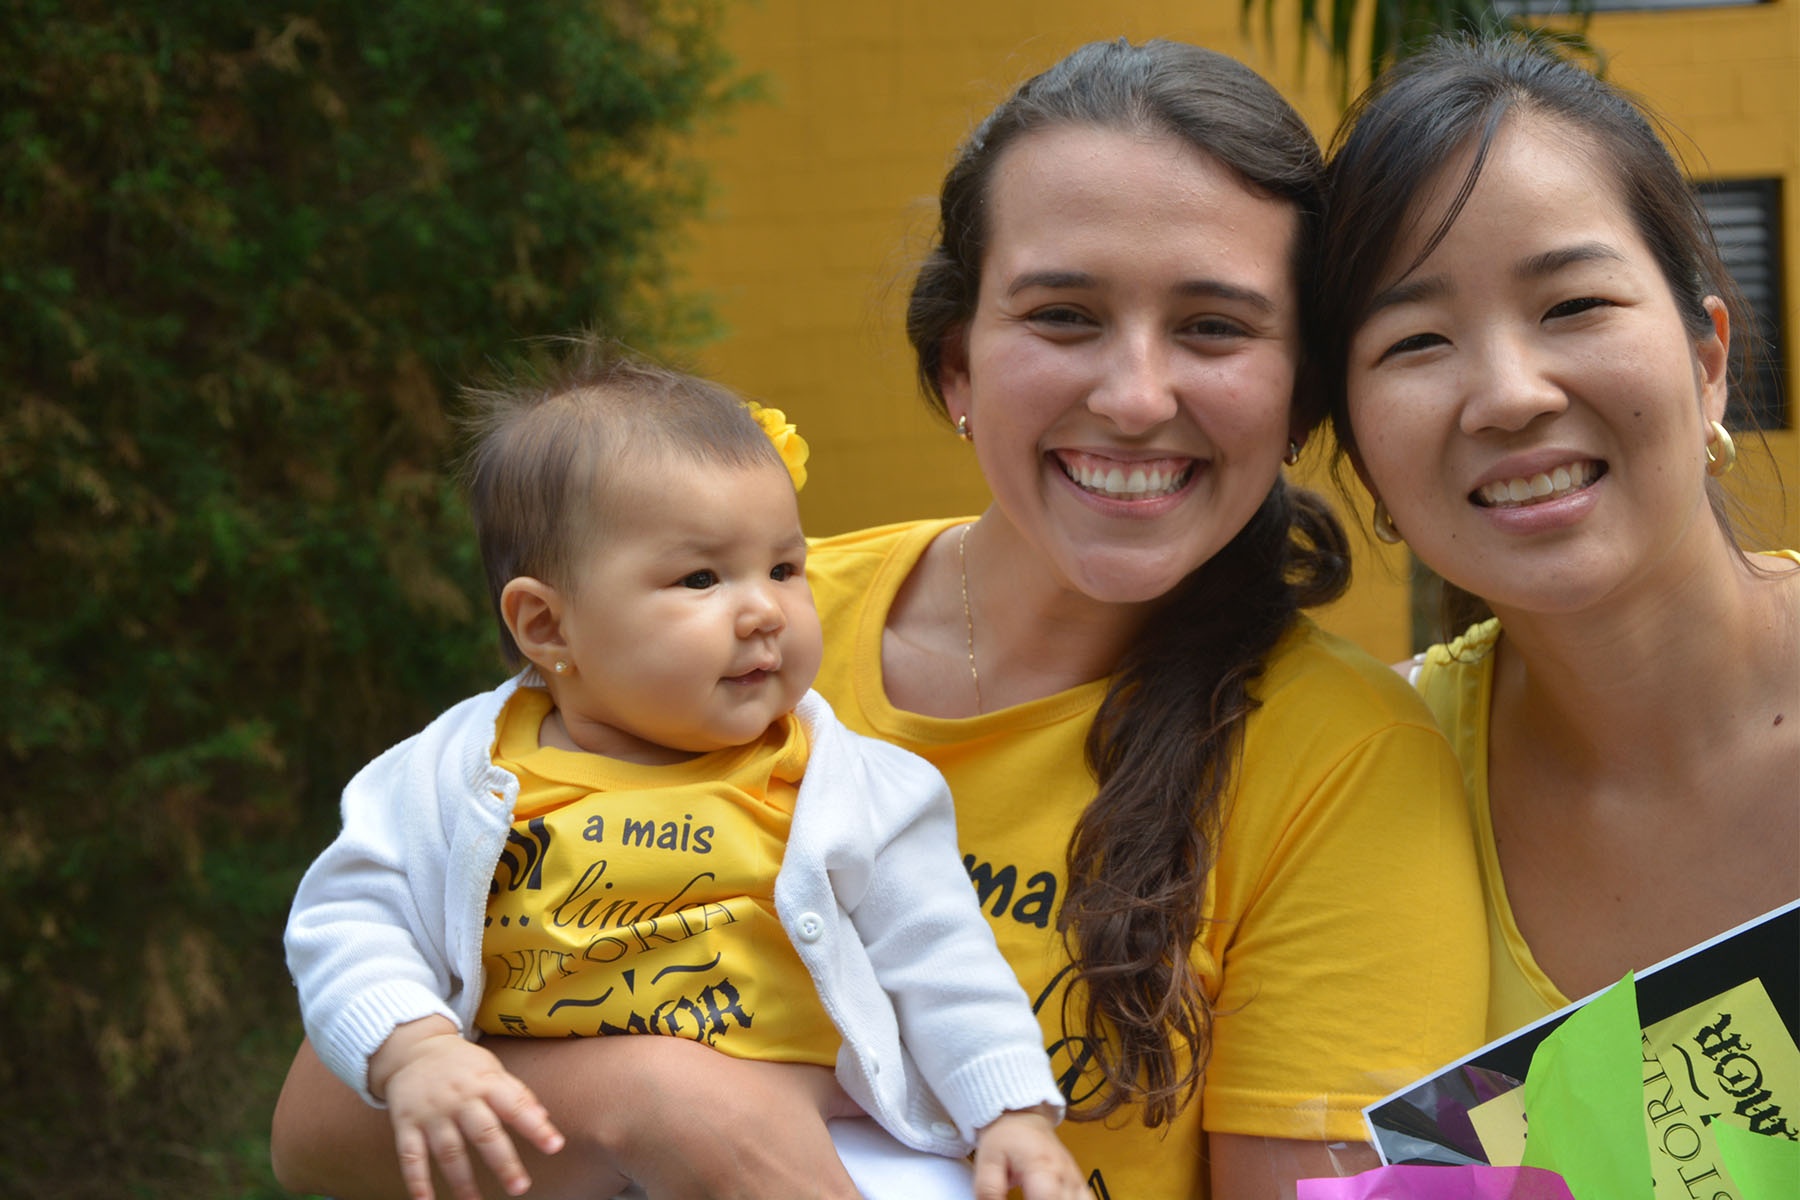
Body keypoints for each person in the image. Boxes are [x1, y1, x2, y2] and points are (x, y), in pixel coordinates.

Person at [272, 39, 1489, 1200]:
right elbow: (321, 1135)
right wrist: (650, 1098)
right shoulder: (716, 634)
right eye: (1062, 316)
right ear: (957, 364)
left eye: (1215, 327)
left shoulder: (1348, 765)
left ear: (1297, 394)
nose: (1132, 394)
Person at [281, 343, 1081, 1200]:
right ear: (547, 626)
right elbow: (348, 922)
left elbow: (944, 959)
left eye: (783, 567)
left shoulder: (845, 783)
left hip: (825, 1145)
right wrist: (415, 1048)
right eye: (701, 577)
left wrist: (1012, 1116)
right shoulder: (450, 777)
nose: (764, 610)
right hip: (575, 1158)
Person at [1312, 34, 1800, 1040]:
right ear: (1362, 457)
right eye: (1416, 342)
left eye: (1574, 304)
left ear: (1709, 359)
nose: (1509, 396)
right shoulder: (1361, 783)